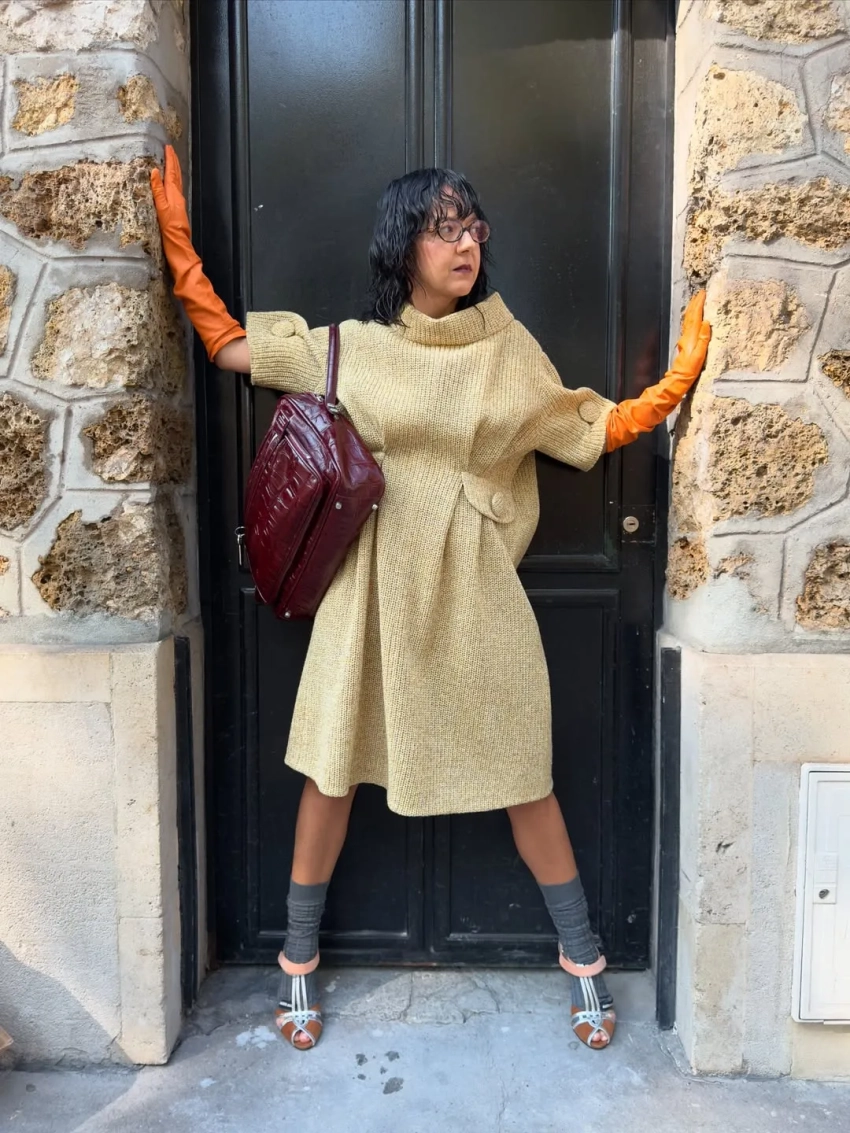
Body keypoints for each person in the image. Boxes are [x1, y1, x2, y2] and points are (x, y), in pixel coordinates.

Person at [151, 144, 710, 1054]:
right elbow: (229, 346)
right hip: (368, 595)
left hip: (476, 593)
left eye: (472, 225)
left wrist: (678, 379)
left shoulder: (507, 348)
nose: (465, 243)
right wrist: (179, 243)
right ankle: (297, 958)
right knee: (331, 768)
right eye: (443, 227)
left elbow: (591, 425)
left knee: (525, 773)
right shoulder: (352, 347)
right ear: (402, 244)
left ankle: (583, 956)